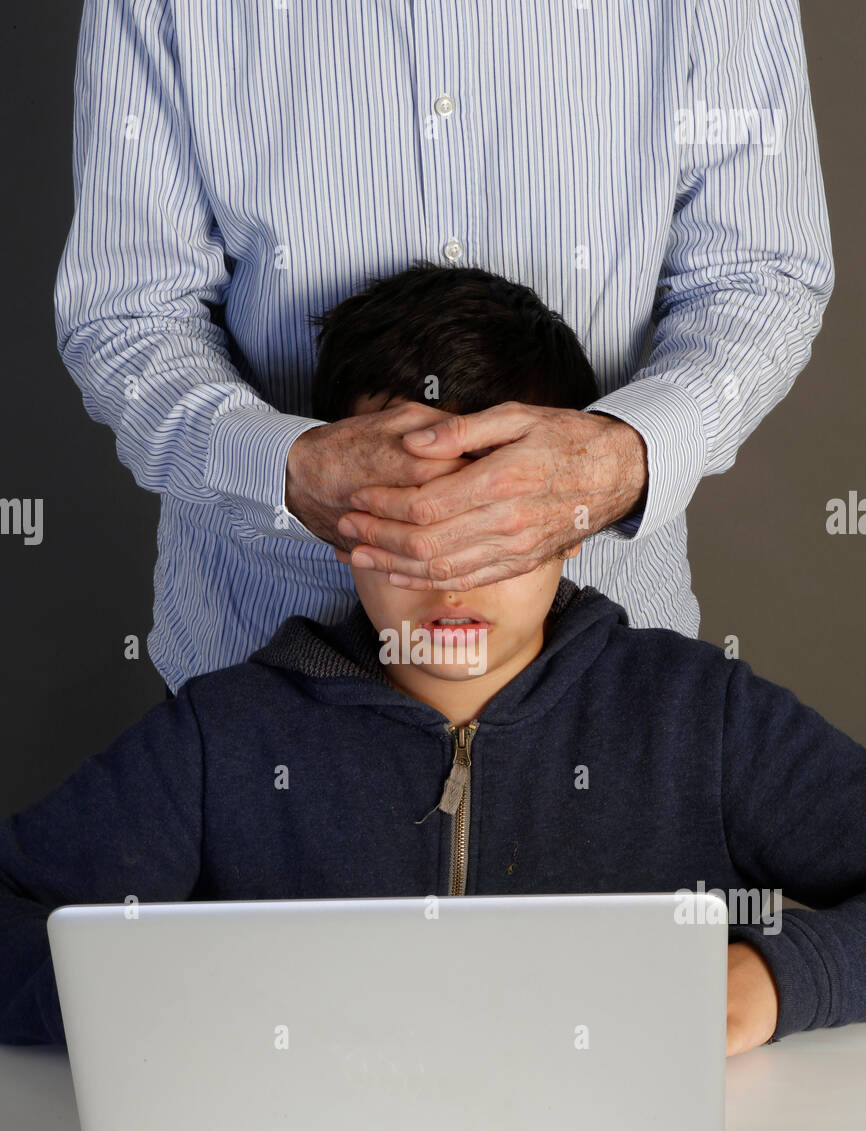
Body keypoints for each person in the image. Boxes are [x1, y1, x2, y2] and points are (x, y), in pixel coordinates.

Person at [4, 267, 864, 1054]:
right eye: (412, 517)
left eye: (494, 520)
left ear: (577, 518)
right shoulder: (219, 739)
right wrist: (158, 1001)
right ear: (336, 519)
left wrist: (781, 981)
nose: (450, 571)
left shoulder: (699, 719)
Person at [54, 0, 833, 691]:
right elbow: (128, 313)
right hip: (255, 664)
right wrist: (285, 469)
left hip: (610, 685)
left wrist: (616, 462)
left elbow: (760, 275)